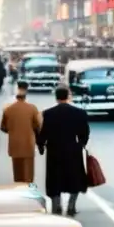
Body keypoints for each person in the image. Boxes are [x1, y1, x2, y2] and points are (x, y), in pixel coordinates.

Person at [37, 86, 90, 215]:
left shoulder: (48, 113)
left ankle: (56, 206)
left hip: (54, 150)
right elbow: (85, 132)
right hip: (72, 149)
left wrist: (41, 146)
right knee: (74, 178)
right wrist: (81, 144)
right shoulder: (79, 113)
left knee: (55, 179)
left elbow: (43, 133)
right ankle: (71, 206)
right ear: (68, 96)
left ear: (56, 97)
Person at [1, 81, 41, 183]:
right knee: (29, 174)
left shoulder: (8, 109)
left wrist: (13, 130)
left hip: (14, 144)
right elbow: (37, 126)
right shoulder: (32, 108)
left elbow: (3, 127)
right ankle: (30, 192)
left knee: (17, 173)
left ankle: (19, 192)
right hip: (28, 144)